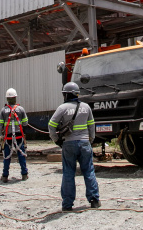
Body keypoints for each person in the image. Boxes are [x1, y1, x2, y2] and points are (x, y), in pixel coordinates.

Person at [48, 82, 100, 212]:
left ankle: (67, 205)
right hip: (84, 143)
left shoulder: (62, 108)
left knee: (68, 173)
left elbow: (51, 125)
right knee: (88, 171)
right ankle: (94, 200)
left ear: (67, 94)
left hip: (69, 144)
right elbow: (92, 125)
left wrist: (57, 140)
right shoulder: (86, 107)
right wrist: (91, 139)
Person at [0, 87, 29, 183]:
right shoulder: (21, 109)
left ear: (7, 99)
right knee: (21, 155)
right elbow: (25, 123)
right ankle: (24, 174)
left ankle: (5, 176)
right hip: (19, 136)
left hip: (8, 137)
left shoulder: (3, 110)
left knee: (7, 156)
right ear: (15, 98)